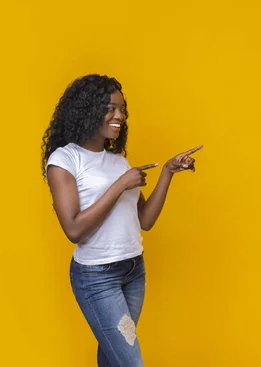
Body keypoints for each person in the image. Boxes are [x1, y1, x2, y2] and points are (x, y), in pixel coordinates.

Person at [41, 74, 202, 367]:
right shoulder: (64, 160)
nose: (119, 116)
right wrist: (119, 185)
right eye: (110, 108)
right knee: (130, 362)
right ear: (87, 109)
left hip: (133, 270)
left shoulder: (119, 162)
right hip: (96, 277)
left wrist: (167, 172)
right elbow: (73, 229)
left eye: (122, 109)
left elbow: (145, 220)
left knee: (113, 358)